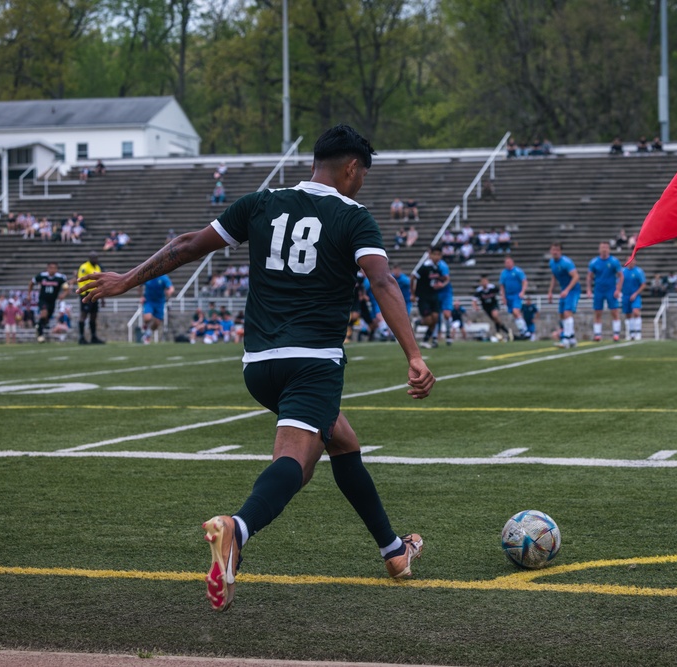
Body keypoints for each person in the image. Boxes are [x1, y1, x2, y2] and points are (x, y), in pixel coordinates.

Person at [77, 124, 434, 612]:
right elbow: (383, 281)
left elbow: (186, 245)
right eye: (362, 176)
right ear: (352, 169)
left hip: (259, 365)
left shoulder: (260, 203)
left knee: (343, 441)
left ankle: (394, 552)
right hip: (313, 363)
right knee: (296, 464)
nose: (361, 185)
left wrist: (126, 281)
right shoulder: (353, 215)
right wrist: (413, 354)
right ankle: (236, 528)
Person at [587, 242, 624, 342]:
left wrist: (618, 289)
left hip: (611, 289)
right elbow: (590, 276)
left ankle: (616, 334)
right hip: (598, 289)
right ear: (599, 249)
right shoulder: (594, 262)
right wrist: (589, 289)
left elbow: (621, 276)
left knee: (614, 311)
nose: (604, 249)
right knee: (598, 312)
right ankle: (597, 334)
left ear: (609, 249)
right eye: (602, 247)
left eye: (606, 247)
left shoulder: (614, 261)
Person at [411, 246, 446, 348]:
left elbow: (436, 279)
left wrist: (440, 283)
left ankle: (425, 340)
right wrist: (413, 294)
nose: (436, 257)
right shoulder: (424, 267)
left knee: (435, 318)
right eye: (434, 254)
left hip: (434, 295)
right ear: (430, 255)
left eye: (438, 254)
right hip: (423, 296)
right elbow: (413, 277)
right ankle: (418, 322)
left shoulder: (437, 267)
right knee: (428, 320)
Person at [546, 242, 580, 348]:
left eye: (557, 250)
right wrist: (550, 292)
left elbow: (576, 277)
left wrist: (567, 290)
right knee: (561, 314)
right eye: (553, 250)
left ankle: (566, 339)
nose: (555, 252)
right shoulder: (552, 263)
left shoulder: (566, 262)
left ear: (560, 251)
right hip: (564, 290)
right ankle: (572, 338)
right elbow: (554, 277)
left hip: (573, 290)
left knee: (567, 313)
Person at [29, 262, 69, 343]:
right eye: (50, 268)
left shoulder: (60, 278)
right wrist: (29, 293)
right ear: (47, 268)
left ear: (56, 269)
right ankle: (40, 335)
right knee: (44, 313)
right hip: (43, 300)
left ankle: (38, 327)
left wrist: (63, 294)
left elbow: (66, 288)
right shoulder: (42, 276)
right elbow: (32, 282)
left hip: (52, 301)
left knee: (46, 319)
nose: (52, 270)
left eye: (54, 268)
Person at [76, 252, 106, 344]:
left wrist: (102, 297)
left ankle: (93, 337)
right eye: (93, 258)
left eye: (96, 257)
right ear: (89, 258)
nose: (95, 259)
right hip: (87, 294)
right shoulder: (84, 267)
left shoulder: (97, 267)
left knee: (94, 315)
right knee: (84, 315)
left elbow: (100, 283)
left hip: (95, 293)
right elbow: (80, 280)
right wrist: (83, 294)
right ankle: (81, 337)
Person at [499, 256, 531, 340]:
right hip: (508, 295)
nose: (508, 264)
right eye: (506, 263)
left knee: (515, 311)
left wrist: (523, 291)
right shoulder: (504, 273)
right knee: (514, 314)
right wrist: (503, 296)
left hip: (516, 295)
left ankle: (525, 330)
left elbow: (524, 281)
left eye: (509, 262)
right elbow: (502, 286)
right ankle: (522, 330)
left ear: (512, 262)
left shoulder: (517, 271)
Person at [473, 274, 512, 341]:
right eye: (483, 282)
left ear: (487, 282)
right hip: (486, 307)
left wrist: (503, 299)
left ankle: (500, 332)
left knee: (495, 316)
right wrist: (475, 307)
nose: (484, 283)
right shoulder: (479, 290)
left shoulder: (492, 287)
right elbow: (474, 300)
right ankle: (505, 331)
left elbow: (501, 292)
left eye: (485, 281)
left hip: (494, 305)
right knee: (495, 320)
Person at [139, 273, 175, 344]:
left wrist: (170, 291)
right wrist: (141, 296)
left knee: (157, 323)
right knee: (147, 318)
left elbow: (171, 288)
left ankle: (148, 335)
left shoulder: (163, 278)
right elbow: (140, 286)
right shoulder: (147, 276)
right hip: (149, 301)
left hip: (160, 303)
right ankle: (145, 325)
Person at [621, 257, 646, 341]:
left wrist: (635, 294)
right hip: (625, 295)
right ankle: (631, 333)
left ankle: (638, 333)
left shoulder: (638, 271)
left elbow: (643, 284)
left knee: (636, 312)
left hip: (635, 295)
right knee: (628, 314)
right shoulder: (623, 271)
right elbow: (618, 282)